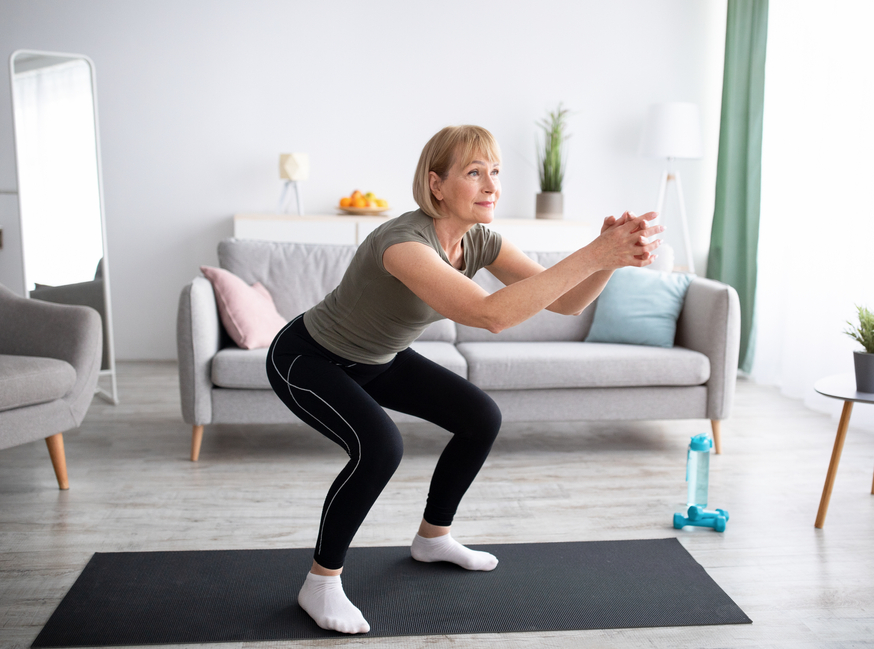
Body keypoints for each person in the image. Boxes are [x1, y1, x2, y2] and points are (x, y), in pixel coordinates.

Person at [266, 125, 662, 634]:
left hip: (378, 358)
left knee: (480, 417)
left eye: (495, 172)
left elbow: (565, 302)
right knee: (380, 447)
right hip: (310, 358)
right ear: (436, 184)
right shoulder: (402, 243)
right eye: (474, 173)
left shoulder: (480, 240)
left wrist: (611, 260)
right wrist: (596, 253)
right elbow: (489, 315)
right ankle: (320, 582)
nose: (491, 185)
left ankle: (433, 538)